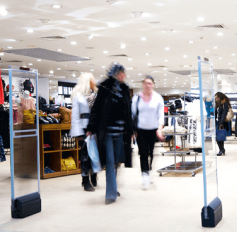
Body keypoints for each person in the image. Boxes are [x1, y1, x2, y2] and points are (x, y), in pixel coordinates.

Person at [87, 64, 133, 205]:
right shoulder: (104, 88)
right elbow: (96, 109)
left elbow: (128, 111)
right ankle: (111, 194)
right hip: (107, 131)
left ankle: (113, 186)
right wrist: (91, 127)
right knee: (110, 160)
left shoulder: (124, 89)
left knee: (116, 162)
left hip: (121, 132)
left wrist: (131, 130)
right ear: (115, 74)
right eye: (121, 73)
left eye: (124, 73)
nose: (123, 76)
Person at [132, 75, 165, 190]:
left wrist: (159, 129)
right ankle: (145, 175)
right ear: (143, 85)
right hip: (141, 130)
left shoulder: (158, 98)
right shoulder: (137, 98)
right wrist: (133, 130)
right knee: (143, 153)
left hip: (153, 130)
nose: (148, 85)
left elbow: (161, 115)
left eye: (150, 83)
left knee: (151, 152)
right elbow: (133, 114)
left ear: (153, 85)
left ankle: (148, 170)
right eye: (146, 83)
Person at [70, 72, 98, 191]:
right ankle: (85, 180)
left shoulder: (96, 95)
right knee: (85, 154)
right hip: (84, 127)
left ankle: (94, 174)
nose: (95, 80)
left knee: (95, 153)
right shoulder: (78, 95)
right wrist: (77, 131)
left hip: (95, 127)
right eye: (93, 78)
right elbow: (75, 114)